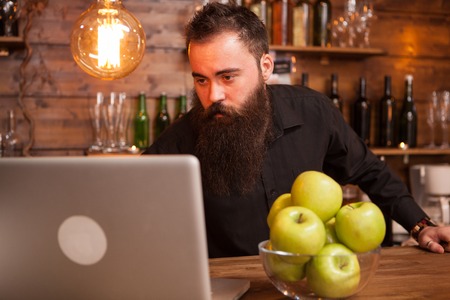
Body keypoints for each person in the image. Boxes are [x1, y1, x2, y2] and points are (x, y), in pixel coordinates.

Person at [144, 2, 450, 258]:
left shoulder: (313, 111)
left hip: (309, 280)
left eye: (227, 77)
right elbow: (134, 196)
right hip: (229, 286)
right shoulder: (181, 138)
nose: (213, 96)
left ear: (265, 68)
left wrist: (420, 225)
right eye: (201, 80)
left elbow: (371, 171)